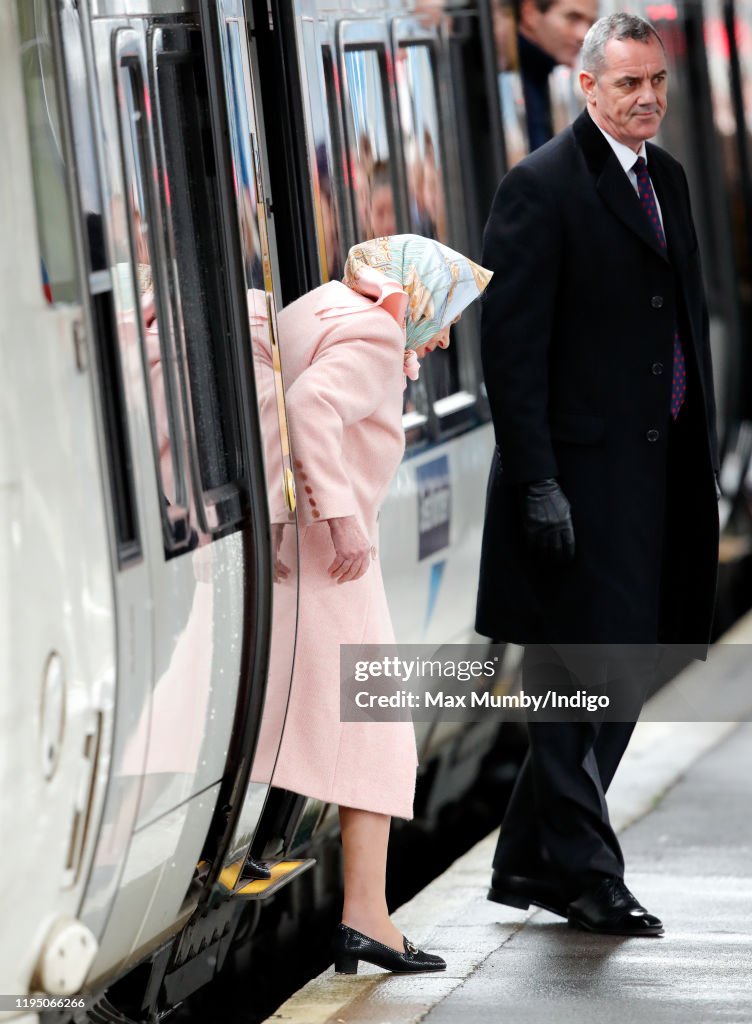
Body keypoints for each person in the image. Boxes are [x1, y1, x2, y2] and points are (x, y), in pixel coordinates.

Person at [476, 14, 719, 937]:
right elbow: (513, 351)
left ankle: (530, 862)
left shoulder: (671, 181)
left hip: (656, 482)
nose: (648, 97)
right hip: (577, 485)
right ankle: (588, 876)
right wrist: (538, 482)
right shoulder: (539, 187)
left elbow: (680, 327)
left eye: (656, 81)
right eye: (628, 84)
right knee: (576, 680)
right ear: (586, 88)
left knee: (623, 672)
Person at [255, 235, 491, 973]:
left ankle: (366, 913)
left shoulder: (336, 303)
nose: (445, 331)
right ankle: (365, 918)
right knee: (381, 732)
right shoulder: (375, 330)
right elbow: (310, 403)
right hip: (331, 558)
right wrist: (343, 515)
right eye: (444, 310)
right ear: (416, 292)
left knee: (355, 727)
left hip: (295, 545)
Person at [513, 0, 598, 150]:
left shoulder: (543, 71)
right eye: (572, 18)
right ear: (530, 13)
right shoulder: (508, 74)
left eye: (591, 23)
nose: (584, 35)